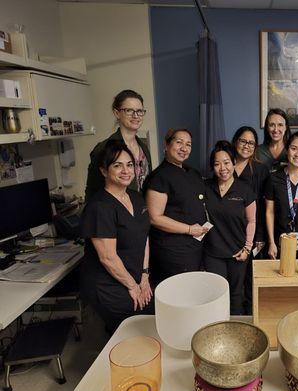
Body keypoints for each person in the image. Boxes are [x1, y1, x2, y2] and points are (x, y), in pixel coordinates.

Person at [80, 141, 154, 333]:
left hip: (135, 277)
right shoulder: (100, 207)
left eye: (129, 165)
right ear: (104, 171)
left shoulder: (136, 198)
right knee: (129, 331)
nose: (125, 170)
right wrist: (133, 286)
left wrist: (144, 276)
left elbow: (143, 236)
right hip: (109, 284)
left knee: (147, 324)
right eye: (117, 165)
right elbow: (107, 257)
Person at [144, 128, 209, 284]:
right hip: (173, 251)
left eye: (188, 144)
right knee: (179, 293)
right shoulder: (160, 177)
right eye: (179, 142)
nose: (184, 148)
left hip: (195, 246)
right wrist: (189, 229)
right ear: (166, 145)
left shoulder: (192, 173)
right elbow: (155, 218)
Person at [204, 141, 256, 315]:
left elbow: (252, 221)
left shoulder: (245, 190)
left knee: (236, 295)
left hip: (238, 253)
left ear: (234, 162)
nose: (222, 168)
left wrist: (247, 249)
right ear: (212, 167)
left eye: (226, 162)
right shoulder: (205, 187)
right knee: (215, 294)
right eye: (217, 164)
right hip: (213, 253)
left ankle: (235, 330)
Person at [85, 89, 152, 201]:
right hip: (116, 212)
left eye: (140, 111)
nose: (136, 116)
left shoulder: (143, 148)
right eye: (129, 110)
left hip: (140, 210)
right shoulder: (104, 148)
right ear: (117, 113)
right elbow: (93, 190)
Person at [231, 126, 270, 314]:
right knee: (232, 279)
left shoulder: (260, 170)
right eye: (243, 141)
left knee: (249, 277)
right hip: (228, 231)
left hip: (252, 232)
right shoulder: (224, 165)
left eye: (251, 143)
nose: (246, 146)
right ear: (235, 141)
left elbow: (264, 207)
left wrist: (260, 236)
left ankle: (249, 315)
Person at [265, 131, 298, 259]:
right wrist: (271, 242)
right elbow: (269, 212)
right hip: (281, 240)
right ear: (287, 150)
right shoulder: (273, 178)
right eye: (293, 148)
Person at [256, 108, 291, 173]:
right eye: (272, 125)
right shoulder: (258, 151)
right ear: (267, 127)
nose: (275, 130)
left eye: (280, 125)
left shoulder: (293, 150)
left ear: (286, 127)